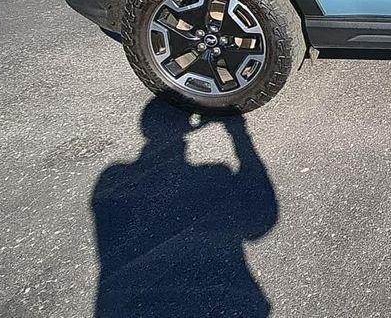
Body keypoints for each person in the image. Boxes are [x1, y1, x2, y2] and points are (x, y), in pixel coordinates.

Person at [91, 99, 278, 317]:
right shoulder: (214, 176)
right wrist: (239, 135)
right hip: (222, 299)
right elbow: (261, 220)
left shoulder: (113, 177)